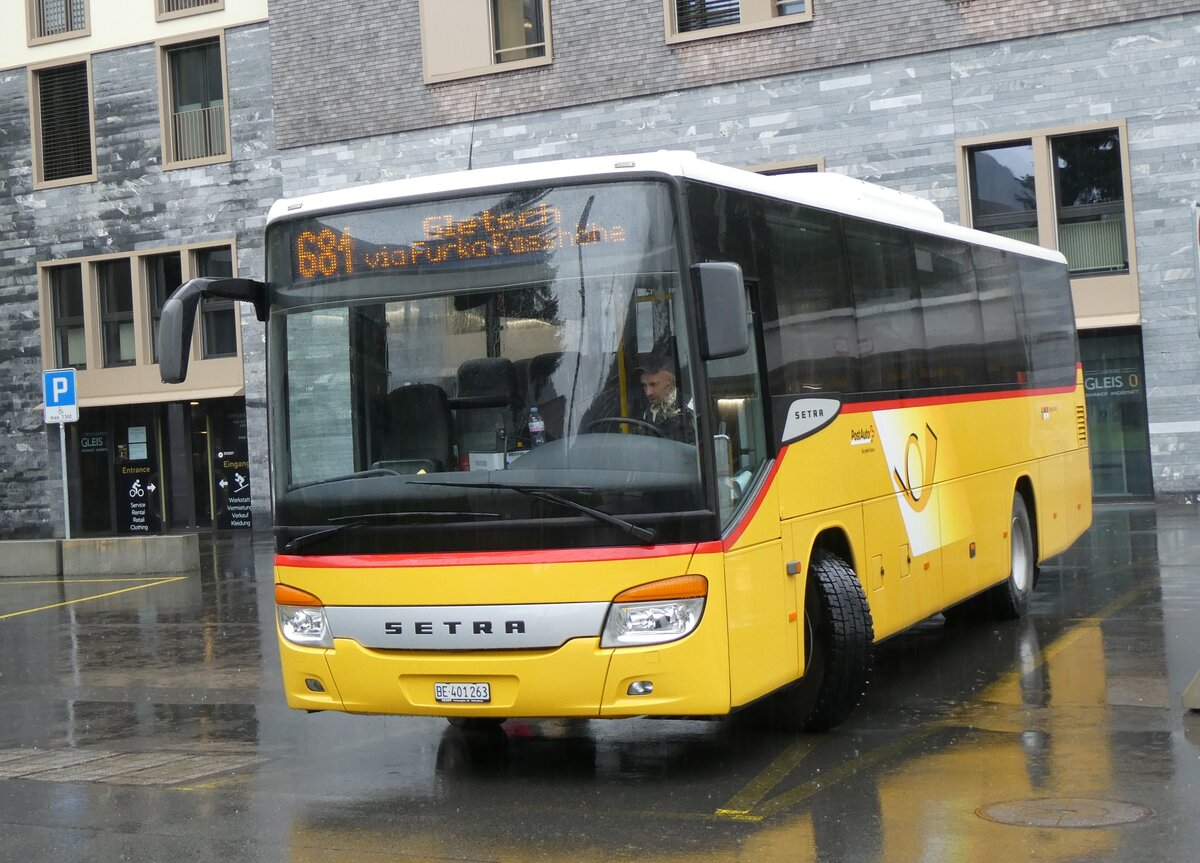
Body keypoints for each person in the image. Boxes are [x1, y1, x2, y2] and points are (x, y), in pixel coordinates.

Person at [636, 354, 696, 444]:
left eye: (653, 384)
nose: (648, 392)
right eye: (644, 386)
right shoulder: (642, 411)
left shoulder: (691, 409)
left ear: (669, 383)